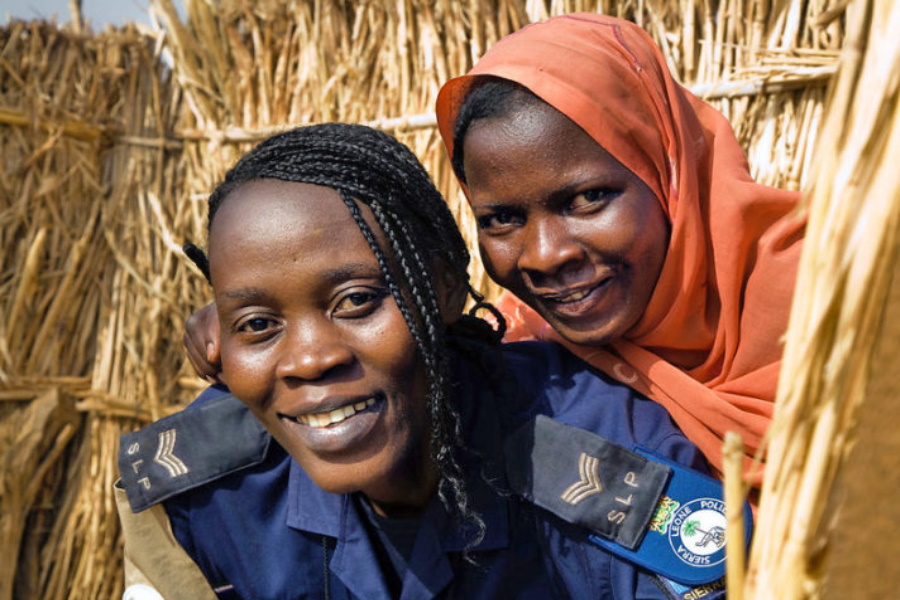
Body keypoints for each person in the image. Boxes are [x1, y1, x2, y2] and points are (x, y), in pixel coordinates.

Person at [116, 124, 743, 600]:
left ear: (443, 289)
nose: (308, 360)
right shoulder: (205, 494)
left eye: (356, 301)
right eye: (258, 324)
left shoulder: (607, 468)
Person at [433, 13, 805, 483]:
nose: (545, 255)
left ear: (669, 177)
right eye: (502, 219)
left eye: (588, 199)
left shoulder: (840, 305)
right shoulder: (515, 364)